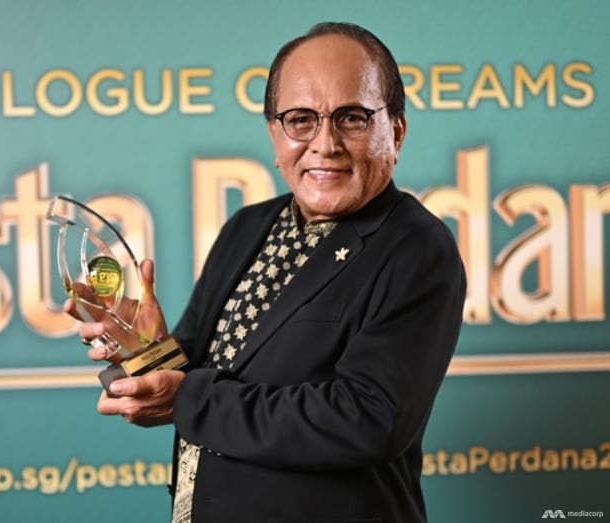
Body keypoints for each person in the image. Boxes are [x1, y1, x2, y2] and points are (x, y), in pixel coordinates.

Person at [70, 21, 466, 523]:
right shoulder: (247, 227)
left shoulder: (416, 249)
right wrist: (145, 349)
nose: (325, 143)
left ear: (396, 132)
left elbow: (367, 419)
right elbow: (191, 376)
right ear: (274, 135)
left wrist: (188, 399)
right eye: (301, 120)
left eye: (352, 118)